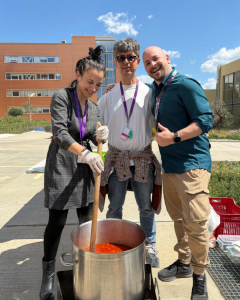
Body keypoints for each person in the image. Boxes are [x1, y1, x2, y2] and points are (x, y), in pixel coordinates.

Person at [142, 46, 213, 300]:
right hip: (170, 167)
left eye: (156, 59)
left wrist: (174, 137)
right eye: (147, 62)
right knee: (179, 219)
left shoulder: (186, 84)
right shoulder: (155, 90)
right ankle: (184, 263)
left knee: (195, 224)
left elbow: (205, 120)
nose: (152, 65)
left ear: (167, 59)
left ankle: (200, 275)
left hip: (192, 166)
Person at [40, 46, 109, 300]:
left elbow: (89, 134)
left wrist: (100, 135)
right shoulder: (61, 96)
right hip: (61, 164)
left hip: (84, 170)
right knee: (56, 223)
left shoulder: (94, 108)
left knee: (87, 223)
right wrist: (86, 152)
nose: (93, 88)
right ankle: (48, 274)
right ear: (78, 74)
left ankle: (88, 267)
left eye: (98, 84)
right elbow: (60, 132)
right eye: (90, 81)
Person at [97, 38, 162, 268]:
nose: (126, 62)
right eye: (121, 58)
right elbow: (97, 126)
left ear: (137, 61)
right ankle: (113, 244)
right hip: (116, 161)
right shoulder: (107, 97)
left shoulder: (149, 93)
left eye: (131, 57)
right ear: (115, 62)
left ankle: (149, 245)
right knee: (115, 207)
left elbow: (157, 124)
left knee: (146, 207)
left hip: (142, 159)